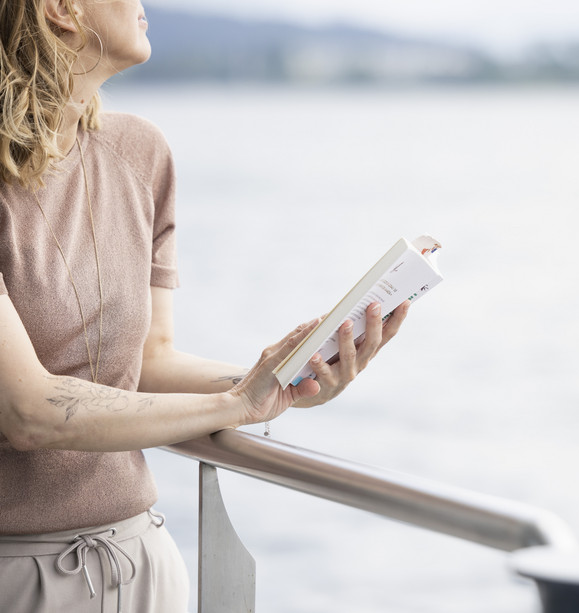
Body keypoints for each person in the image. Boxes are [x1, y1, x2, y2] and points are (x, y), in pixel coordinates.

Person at [0, 1, 410, 611]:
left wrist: (281, 381)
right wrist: (235, 404)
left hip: (139, 562)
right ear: (61, 9)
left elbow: (147, 363)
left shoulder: (141, 154)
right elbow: (26, 410)